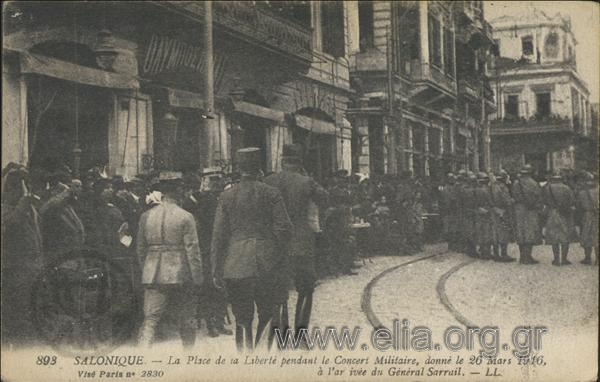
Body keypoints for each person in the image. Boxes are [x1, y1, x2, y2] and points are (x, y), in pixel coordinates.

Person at [212, 148, 292, 351]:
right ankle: (263, 356)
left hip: (236, 265)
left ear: (239, 169)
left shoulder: (226, 196)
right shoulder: (271, 193)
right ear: (259, 169)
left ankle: (245, 360)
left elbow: (218, 237)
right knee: (268, 312)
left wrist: (216, 269)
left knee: (242, 318)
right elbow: (283, 229)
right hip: (267, 264)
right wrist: (279, 255)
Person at [264, 144, 328, 343]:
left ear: (282, 161)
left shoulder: (268, 181)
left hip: (275, 246)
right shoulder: (306, 181)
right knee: (306, 288)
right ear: (299, 163)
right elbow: (324, 199)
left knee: (278, 290)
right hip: (301, 245)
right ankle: (300, 335)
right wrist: (309, 178)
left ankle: (281, 335)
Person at [137, 171, 203, 348]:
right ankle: (188, 359)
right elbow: (193, 250)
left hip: (152, 273)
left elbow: (141, 249)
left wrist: (147, 268)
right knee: (187, 318)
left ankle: (141, 358)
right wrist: (197, 278)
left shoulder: (146, 216)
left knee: (150, 320)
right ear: (178, 191)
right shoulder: (186, 216)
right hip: (181, 273)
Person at [182, 167, 232, 338]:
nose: (216, 183)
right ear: (204, 181)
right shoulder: (193, 201)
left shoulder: (220, 199)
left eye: (218, 179)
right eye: (212, 180)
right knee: (207, 288)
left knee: (221, 286)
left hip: (219, 248)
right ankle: (210, 323)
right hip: (204, 249)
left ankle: (218, 321)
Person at [1, 167, 44, 346]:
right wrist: (24, 201)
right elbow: (12, 224)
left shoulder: (28, 208)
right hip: (15, 269)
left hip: (31, 267)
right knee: (17, 314)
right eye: (23, 187)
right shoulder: (5, 209)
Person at [511, 164, 543, 264]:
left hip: (519, 209)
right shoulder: (533, 183)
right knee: (530, 232)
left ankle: (522, 257)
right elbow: (538, 197)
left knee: (521, 232)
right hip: (530, 209)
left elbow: (513, 195)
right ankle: (528, 257)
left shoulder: (516, 183)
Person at [542, 173, 576, 266]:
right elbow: (572, 200)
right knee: (565, 236)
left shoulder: (547, 188)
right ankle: (564, 259)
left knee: (554, 237)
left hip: (552, 213)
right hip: (564, 213)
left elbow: (544, 201)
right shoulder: (567, 188)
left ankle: (556, 260)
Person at [490, 170, 515, 262]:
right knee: (504, 233)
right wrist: (512, 201)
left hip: (494, 211)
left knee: (495, 233)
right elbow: (506, 201)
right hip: (503, 211)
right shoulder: (503, 187)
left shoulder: (491, 186)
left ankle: (496, 254)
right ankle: (504, 254)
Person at [577, 172, 598, 265]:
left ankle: (587, 258)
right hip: (597, 215)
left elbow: (578, 206)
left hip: (586, 215)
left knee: (586, 236)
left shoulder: (582, 193)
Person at [473, 172, 495, 260]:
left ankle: (483, 251)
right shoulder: (487, 190)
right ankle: (486, 252)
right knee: (487, 232)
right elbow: (491, 201)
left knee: (481, 232)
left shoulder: (475, 189)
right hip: (487, 212)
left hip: (479, 212)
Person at [440, 173, 461, 252]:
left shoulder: (454, 188)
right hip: (449, 210)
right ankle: (452, 244)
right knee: (450, 228)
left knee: (453, 228)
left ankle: (454, 245)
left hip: (453, 210)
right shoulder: (446, 189)